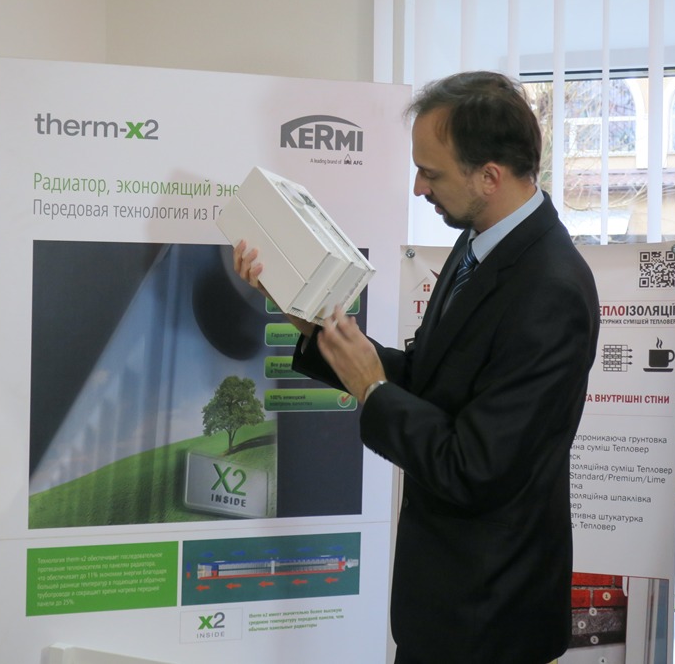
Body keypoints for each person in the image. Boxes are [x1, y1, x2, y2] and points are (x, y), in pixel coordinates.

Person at [234, 71, 600, 664]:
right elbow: (434, 382)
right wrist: (315, 325)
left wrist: (372, 389)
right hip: (445, 605)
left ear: (490, 177)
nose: (417, 187)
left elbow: (473, 468)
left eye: (431, 173)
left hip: (491, 621)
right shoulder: (480, 240)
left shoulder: (550, 289)